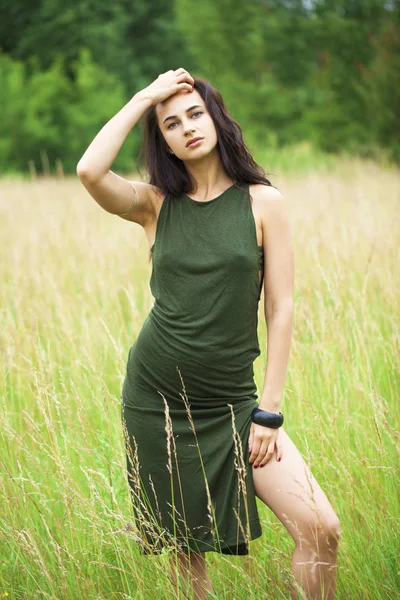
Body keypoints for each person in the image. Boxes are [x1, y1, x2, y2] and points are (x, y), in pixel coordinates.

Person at [77, 68, 341, 600]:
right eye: (171, 123)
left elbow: (281, 307)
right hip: (158, 402)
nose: (187, 127)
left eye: (195, 113)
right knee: (186, 555)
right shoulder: (154, 205)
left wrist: (268, 410)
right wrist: (145, 97)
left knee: (320, 528)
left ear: (216, 117)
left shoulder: (263, 202)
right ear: (165, 142)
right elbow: (88, 170)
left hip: (236, 403)